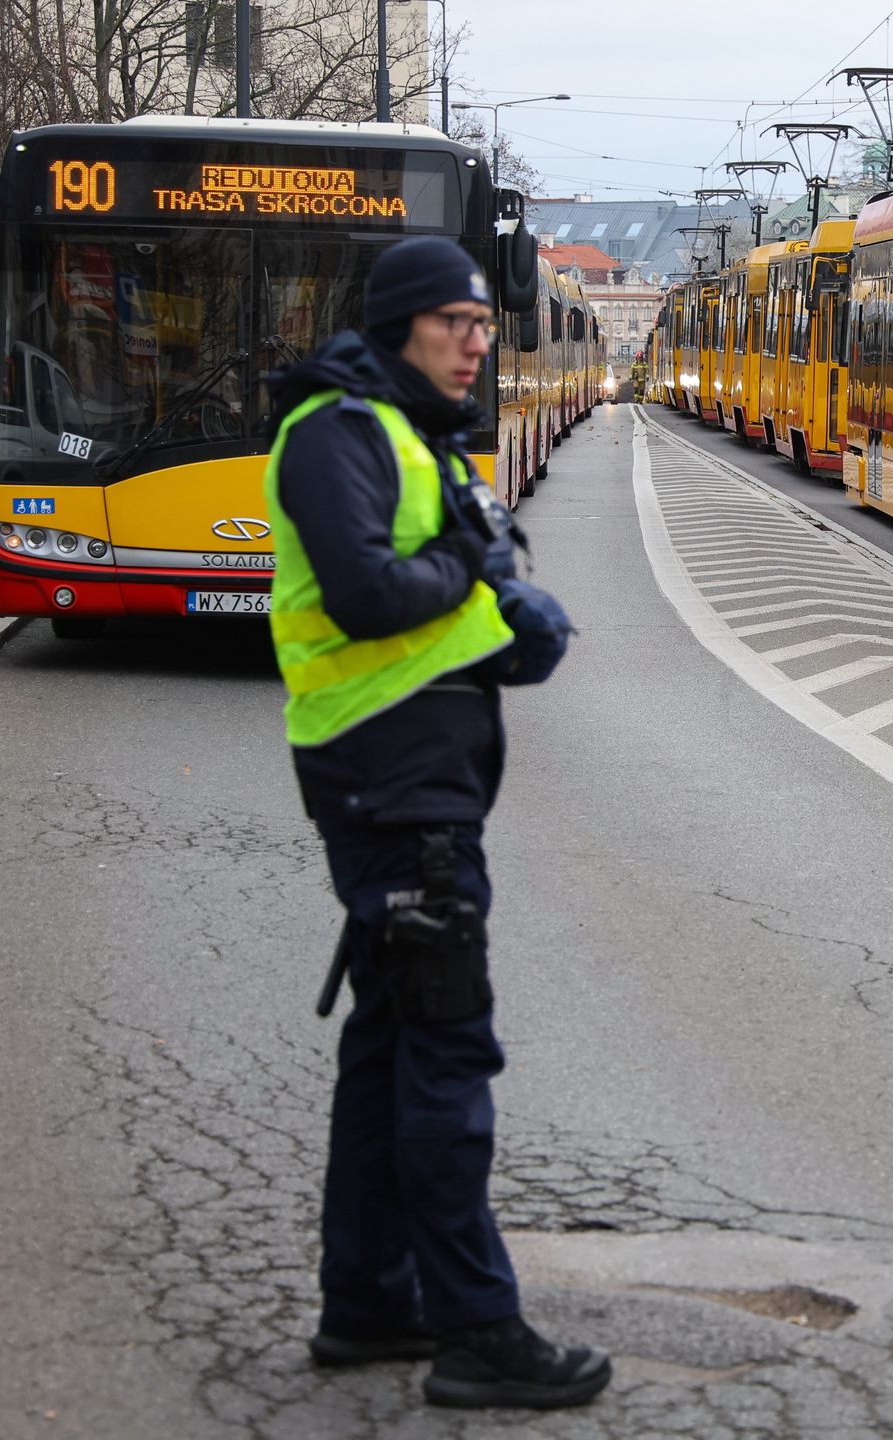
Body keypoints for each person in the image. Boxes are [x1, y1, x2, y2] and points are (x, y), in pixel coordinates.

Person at [262, 235, 603, 1411]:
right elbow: (364, 594)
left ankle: (366, 1302)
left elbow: (487, 586)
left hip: (421, 785)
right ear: (402, 324)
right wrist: (466, 573)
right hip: (390, 788)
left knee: (392, 1045)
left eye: (481, 325)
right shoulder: (335, 434)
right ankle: (478, 1329)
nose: (476, 343)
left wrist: (487, 587)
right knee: (447, 1058)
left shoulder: (414, 438)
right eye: (456, 322)